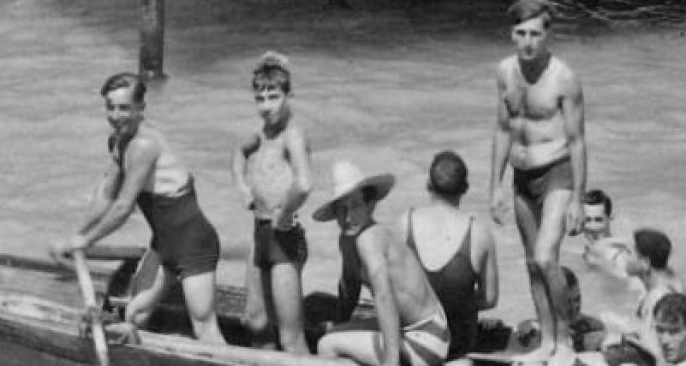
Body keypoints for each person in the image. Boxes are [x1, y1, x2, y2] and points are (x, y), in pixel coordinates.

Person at [50, 72, 226, 342]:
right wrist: (77, 235)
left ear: (140, 109)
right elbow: (106, 195)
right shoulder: (120, 142)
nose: (116, 115)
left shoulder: (144, 145)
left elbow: (122, 208)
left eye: (124, 108)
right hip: (164, 244)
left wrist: (86, 240)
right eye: (111, 107)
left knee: (205, 328)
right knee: (134, 315)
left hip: (194, 245)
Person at [489, 0, 587, 365]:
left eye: (534, 34)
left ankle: (565, 341)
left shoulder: (564, 78)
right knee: (532, 262)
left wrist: (578, 199)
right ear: (511, 34)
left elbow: (577, 140)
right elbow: (501, 129)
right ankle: (545, 340)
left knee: (547, 257)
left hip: (556, 172)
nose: (527, 42)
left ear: (548, 35)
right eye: (520, 33)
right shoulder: (504, 72)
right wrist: (494, 186)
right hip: (521, 175)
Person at [314, 161, 452, 366]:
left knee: (326, 346)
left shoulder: (369, 238)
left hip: (426, 340)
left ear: (371, 205)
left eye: (354, 205)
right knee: (335, 334)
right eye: (341, 209)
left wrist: (391, 360)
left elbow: (383, 295)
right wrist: (340, 324)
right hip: (428, 332)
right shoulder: (348, 239)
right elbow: (349, 289)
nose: (348, 217)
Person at [229, 52, 313, 353]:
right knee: (255, 321)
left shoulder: (293, 135)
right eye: (260, 98)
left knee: (291, 337)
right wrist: (241, 185)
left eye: (274, 97)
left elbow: (304, 183)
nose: (266, 106)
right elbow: (238, 153)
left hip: (285, 240)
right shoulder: (260, 132)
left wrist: (286, 212)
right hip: (259, 233)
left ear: (289, 95)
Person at [399, 151, 497, 362]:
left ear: (428, 183)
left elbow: (392, 286)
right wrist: (456, 301)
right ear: (465, 188)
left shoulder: (404, 223)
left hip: (414, 339)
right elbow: (489, 298)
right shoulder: (479, 233)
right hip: (457, 343)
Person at [615, 228, 686, 361]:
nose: (623, 256)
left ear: (645, 262)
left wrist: (626, 340)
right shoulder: (670, 283)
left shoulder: (657, 298)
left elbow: (654, 353)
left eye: (629, 253)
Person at [516, 266, 605, 353]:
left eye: (577, 299)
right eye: (567, 303)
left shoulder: (593, 328)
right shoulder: (531, 329)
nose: (574, 307)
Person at [579, 188, 632, 272]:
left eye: (598, 220)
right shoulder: (589, 252)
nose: (593, 227)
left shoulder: (617, 256)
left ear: (610, 218)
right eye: (587, 220)